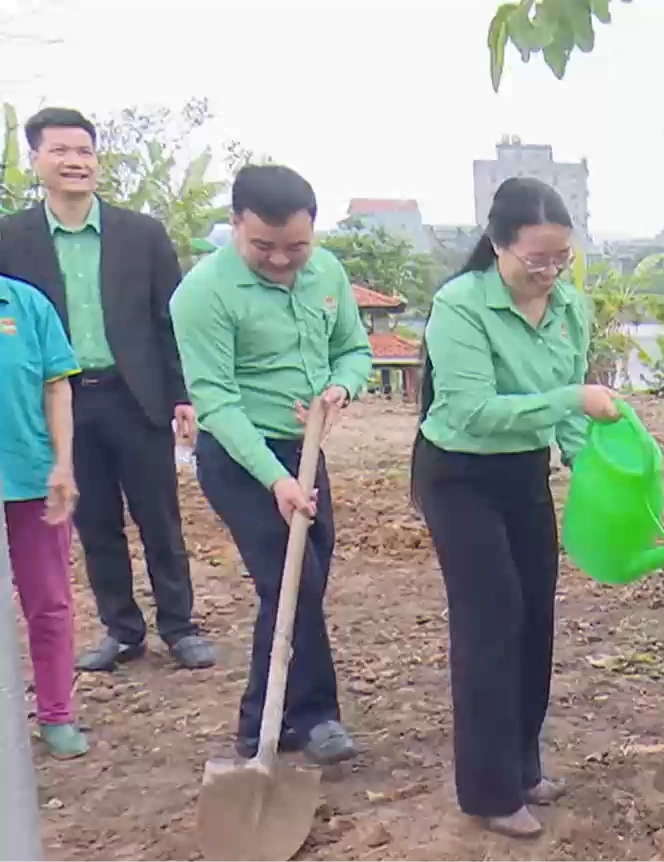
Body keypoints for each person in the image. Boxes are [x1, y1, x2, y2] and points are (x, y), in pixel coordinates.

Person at [409, 177, 622, 839]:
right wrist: (570, 403)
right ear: (498, 244)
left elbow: (570, 412)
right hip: (460, 473)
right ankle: (488, 789)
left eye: (561, 260)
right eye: (536, 259)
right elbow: (472, 409)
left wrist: (588, 464)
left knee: (534, 617)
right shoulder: (461, 306)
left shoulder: (569, 308)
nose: (549, 273)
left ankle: (524, 764)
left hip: (523, 472)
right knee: (490, 618)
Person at [169, 164, 372, 765]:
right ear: (234, 226)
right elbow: (217, 401)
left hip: (303, 449)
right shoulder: (202, 294)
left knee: (298, 584)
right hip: (240, 456)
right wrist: (276, 480)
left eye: (297, 247)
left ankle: (266, 718)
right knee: (293, 580)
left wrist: (342, 387)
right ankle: (312, 716)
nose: (283, 260)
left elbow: (353, 350)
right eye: (264, 246)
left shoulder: (327, 271)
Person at [0, 107, 214, 672]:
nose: (75, 162)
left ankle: (179, 626)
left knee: (159, 517)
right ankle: (122, 629)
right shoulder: (10, 239)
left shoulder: (141, 234)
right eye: (60, 151)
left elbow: (169, 321)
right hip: (63, 401)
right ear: (37, 161)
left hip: (135, 394)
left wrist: (181, 395)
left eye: (85, 152)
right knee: (93, 521)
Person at [0, 272, 87, 758]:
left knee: (49, 603)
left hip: (30, 476)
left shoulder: (26, 303)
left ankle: (56, 713)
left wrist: (63, 463)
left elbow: (57, 390)